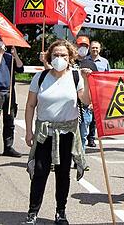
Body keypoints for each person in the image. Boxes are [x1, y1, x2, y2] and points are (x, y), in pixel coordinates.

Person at [23, 40, 91, 225]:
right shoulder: (41, 77)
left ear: (70, 58)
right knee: (40, 172)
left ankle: (61, 212)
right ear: (49, 57)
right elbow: (30, 105)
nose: (59, 58)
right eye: (56, 55)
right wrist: (28, 131)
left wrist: (86, 80)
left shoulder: (76, 76)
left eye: (63, 55)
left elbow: (85, 100)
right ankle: (32, 212)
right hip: (45, 132)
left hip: (67, 133)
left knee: (63, 174)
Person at [0, 35, 24, 158]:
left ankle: (8, 147)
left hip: (10, 92)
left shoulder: (9, 57)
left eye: (2, 40)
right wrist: (0, 53)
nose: (1, 42)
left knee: (10, 121)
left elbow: (20, 68)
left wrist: (15, 55)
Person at [83, 39, 110, 148]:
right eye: (93, 47)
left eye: (96, 48)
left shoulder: (105, 62)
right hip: (86, 90)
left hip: (99, 91)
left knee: (95, 116)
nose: (94, 49)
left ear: (100, 49)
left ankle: (91, 138)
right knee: (86, 114)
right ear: (89, 49)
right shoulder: (84, 60)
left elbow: (108, 76)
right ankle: (84, 136)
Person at [74, 36, 94, 149]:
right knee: (70, 136)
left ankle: (80, 161)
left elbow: (96, 86)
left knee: (82, 136)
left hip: (86, 107)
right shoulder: (69, 63)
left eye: (85, 46)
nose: (83, 48)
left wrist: (93, 102)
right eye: (81, 45)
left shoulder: (91, 64)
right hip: (71, 106)